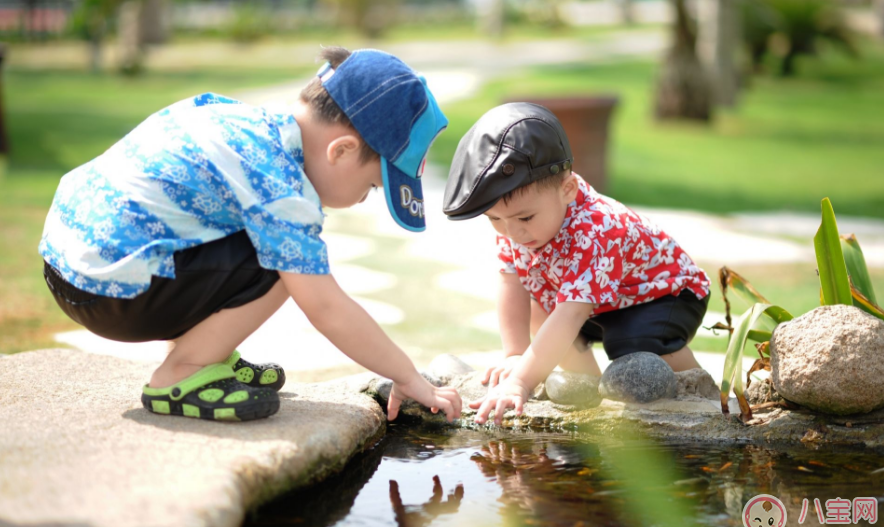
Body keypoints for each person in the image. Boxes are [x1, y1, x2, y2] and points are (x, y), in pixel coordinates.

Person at [40, 47, 462, 423]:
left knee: (265, 241)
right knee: (288, 265)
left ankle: (207, 355)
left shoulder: (242, 121)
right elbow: (326, 307)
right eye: (371, 187)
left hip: (70, 264)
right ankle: (182, 373)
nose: (362, 199)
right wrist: (407, 376)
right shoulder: (280, 185)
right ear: (342, 151)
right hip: (110, 292)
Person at [442, 102, 710, 425]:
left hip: (666, 295)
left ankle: (699, 392)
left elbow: (572, 313)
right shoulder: (516, 226)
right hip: (602, 302)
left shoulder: (596, 229)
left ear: (567, 189)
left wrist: (520, 382)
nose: (512, 232)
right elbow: (511, 282)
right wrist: (515, 354)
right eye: (495, 219)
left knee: (630, 343)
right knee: (541, 307)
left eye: (525, 217)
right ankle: (589, 393)